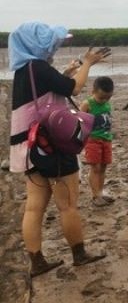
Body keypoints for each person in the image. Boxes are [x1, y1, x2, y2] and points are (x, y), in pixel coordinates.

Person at [8, 22, 108, 276]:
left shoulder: (24, 70)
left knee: (34, 207)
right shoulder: (39, 67)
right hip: (51, 146)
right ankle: (79, 254)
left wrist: (67, 71)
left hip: (28, 147)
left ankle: (37, 262)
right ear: (37, 44)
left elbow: (47, 91)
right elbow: (73, 88)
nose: (54, 47)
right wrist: (87, 63)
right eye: (52, 43)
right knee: (68, 204)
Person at [79, 77, 116, 207]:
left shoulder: (107, 103)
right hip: (92, 140)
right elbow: (79, 122)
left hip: (106, 139)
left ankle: (101, 192)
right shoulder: (87, 104)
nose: (105, 100)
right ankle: (95, 196)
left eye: (108, 97)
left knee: (104, 167)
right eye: (102, 98)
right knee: (95, 168)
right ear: (93, 91)